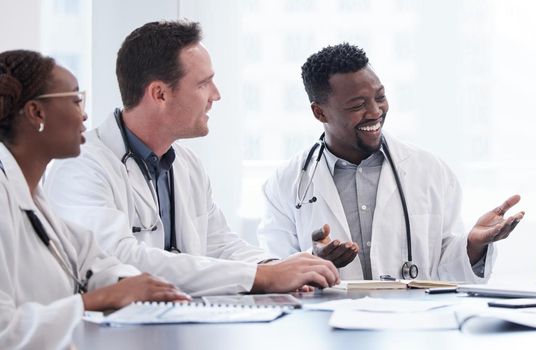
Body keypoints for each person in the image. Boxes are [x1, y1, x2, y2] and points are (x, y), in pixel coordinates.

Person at [44, 20, 339, 295]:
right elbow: (116, 259)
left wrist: (278, 267)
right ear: (159, 94)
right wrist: (259, 277)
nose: (216, 95)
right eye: (203, 84)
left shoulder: (185, 163)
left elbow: (220, 244)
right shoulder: (82, 165)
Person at [257, 43, 524, 281]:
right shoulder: (285, 183)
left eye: (380, 97)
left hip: (410, 326)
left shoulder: (430, 170)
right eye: (357, 105)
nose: (375, 112)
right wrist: (313, 260)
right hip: (323, 326)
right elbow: (275, 271)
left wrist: (473, 245)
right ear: (319, 112)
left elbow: (446, 266)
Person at [0, 50, 190, 349]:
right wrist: (95, 300)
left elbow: (93, 261)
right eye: (76, 100)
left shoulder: (32, 196)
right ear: (37, 113)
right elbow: (4, 332)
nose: (84, 114)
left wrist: (128, 285)